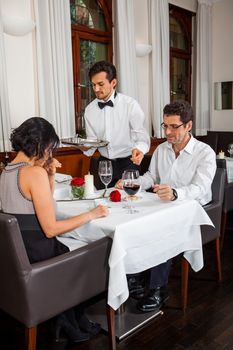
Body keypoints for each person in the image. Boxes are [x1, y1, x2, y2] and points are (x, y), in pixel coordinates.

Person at [0, 117, 109, 342]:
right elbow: (51, 229)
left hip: (20, 253)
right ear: (40, 145)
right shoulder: (33, 173)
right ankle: (70, 320)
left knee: (68, 243)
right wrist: (92, 214)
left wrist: (49, 173)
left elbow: (43, 204)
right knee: (94, 246)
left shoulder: (6, 171)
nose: (50, 154)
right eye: (50, 149)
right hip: (39, 254)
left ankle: (64, 318)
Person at [116, 100, 217, 312]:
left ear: (188, 126)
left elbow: (200, 188)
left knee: (162, 229)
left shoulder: (204, 152)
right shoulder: (162, 149)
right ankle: (134, 276)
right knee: (134, 221)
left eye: (174, 126)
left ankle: (158, 289)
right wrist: (131, 183)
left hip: (194, 210)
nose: (168, 132)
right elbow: (151, 177)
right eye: (165, 126)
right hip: (164, 204)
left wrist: (176, 194)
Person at [83, 60, 150, 189]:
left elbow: (142, 139)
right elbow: (91, 146)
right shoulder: (90, 110)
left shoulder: (130, 105)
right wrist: (83, 146)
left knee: (129, 203)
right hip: (103, 165)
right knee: (103, 204)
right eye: (93, 85)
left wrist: (139, 150)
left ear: (113, 82)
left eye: (100, 84)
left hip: (128, 164)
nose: (96, 89)